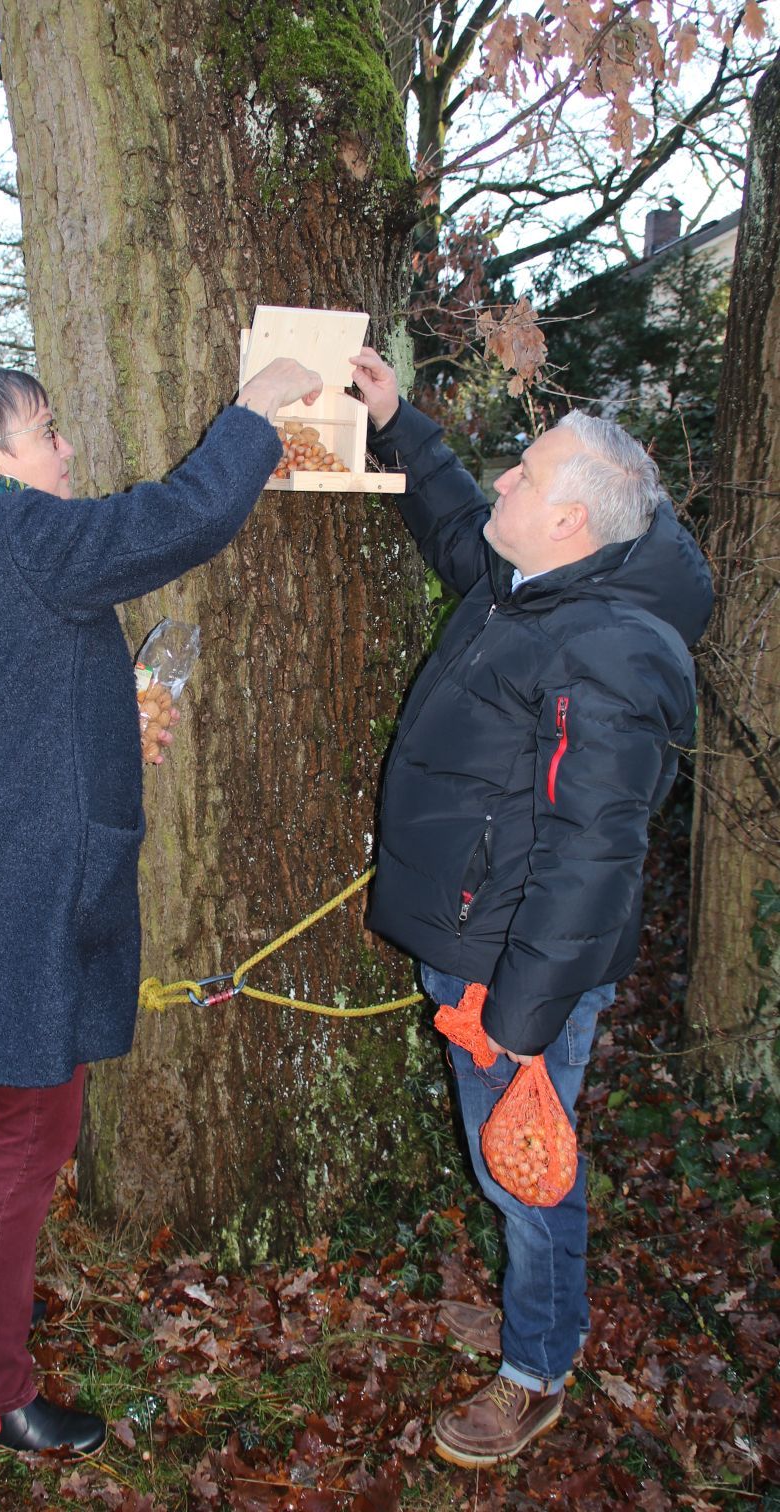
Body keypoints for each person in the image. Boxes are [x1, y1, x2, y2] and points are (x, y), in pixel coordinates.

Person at [0, 356, 321, 1456]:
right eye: (45, 431)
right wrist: (253, 417)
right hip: (20, 882)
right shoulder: (20, 533)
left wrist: (106, 740)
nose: (65, 448)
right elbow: (173, 521)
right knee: (31, 1133)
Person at [349, 347, 713, 1468]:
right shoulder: (542, 579)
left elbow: (593, 859)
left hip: (518, 967)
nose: (503, 482)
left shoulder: (612, 648)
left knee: (526, 1165)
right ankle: (535, 1306)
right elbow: (463, 528)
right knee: (502, 1160)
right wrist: (402, 425)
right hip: (482, 943)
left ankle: (536, 1365)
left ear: (571, 525)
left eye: (524, 477)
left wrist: (516, 1020)